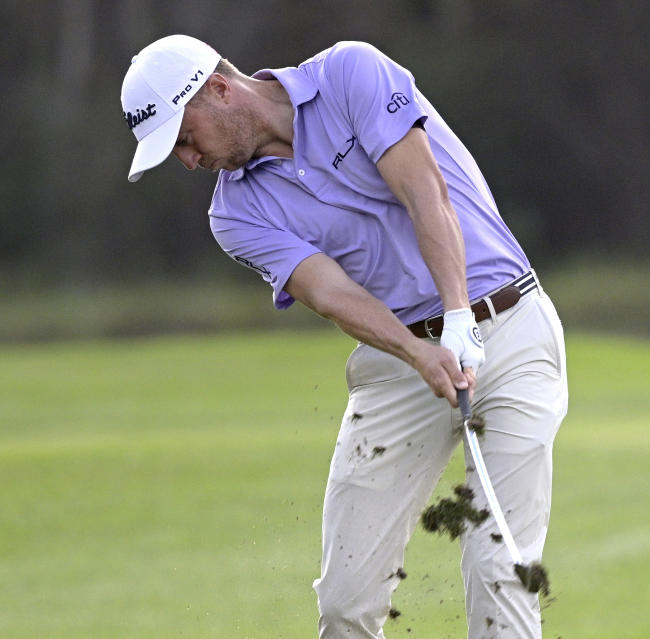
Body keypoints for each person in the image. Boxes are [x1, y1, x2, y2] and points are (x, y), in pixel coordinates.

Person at [121, 34, 568, 638]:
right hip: (398, 364)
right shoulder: (233, 215)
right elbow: (331, 294)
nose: (187, 160)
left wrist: (459, 315)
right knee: (345, 602)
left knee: (499, 565)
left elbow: (423, 190)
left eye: (183, 137)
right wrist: (417, 351)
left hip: (509, 327)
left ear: (219, 89)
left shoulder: (350, 73)